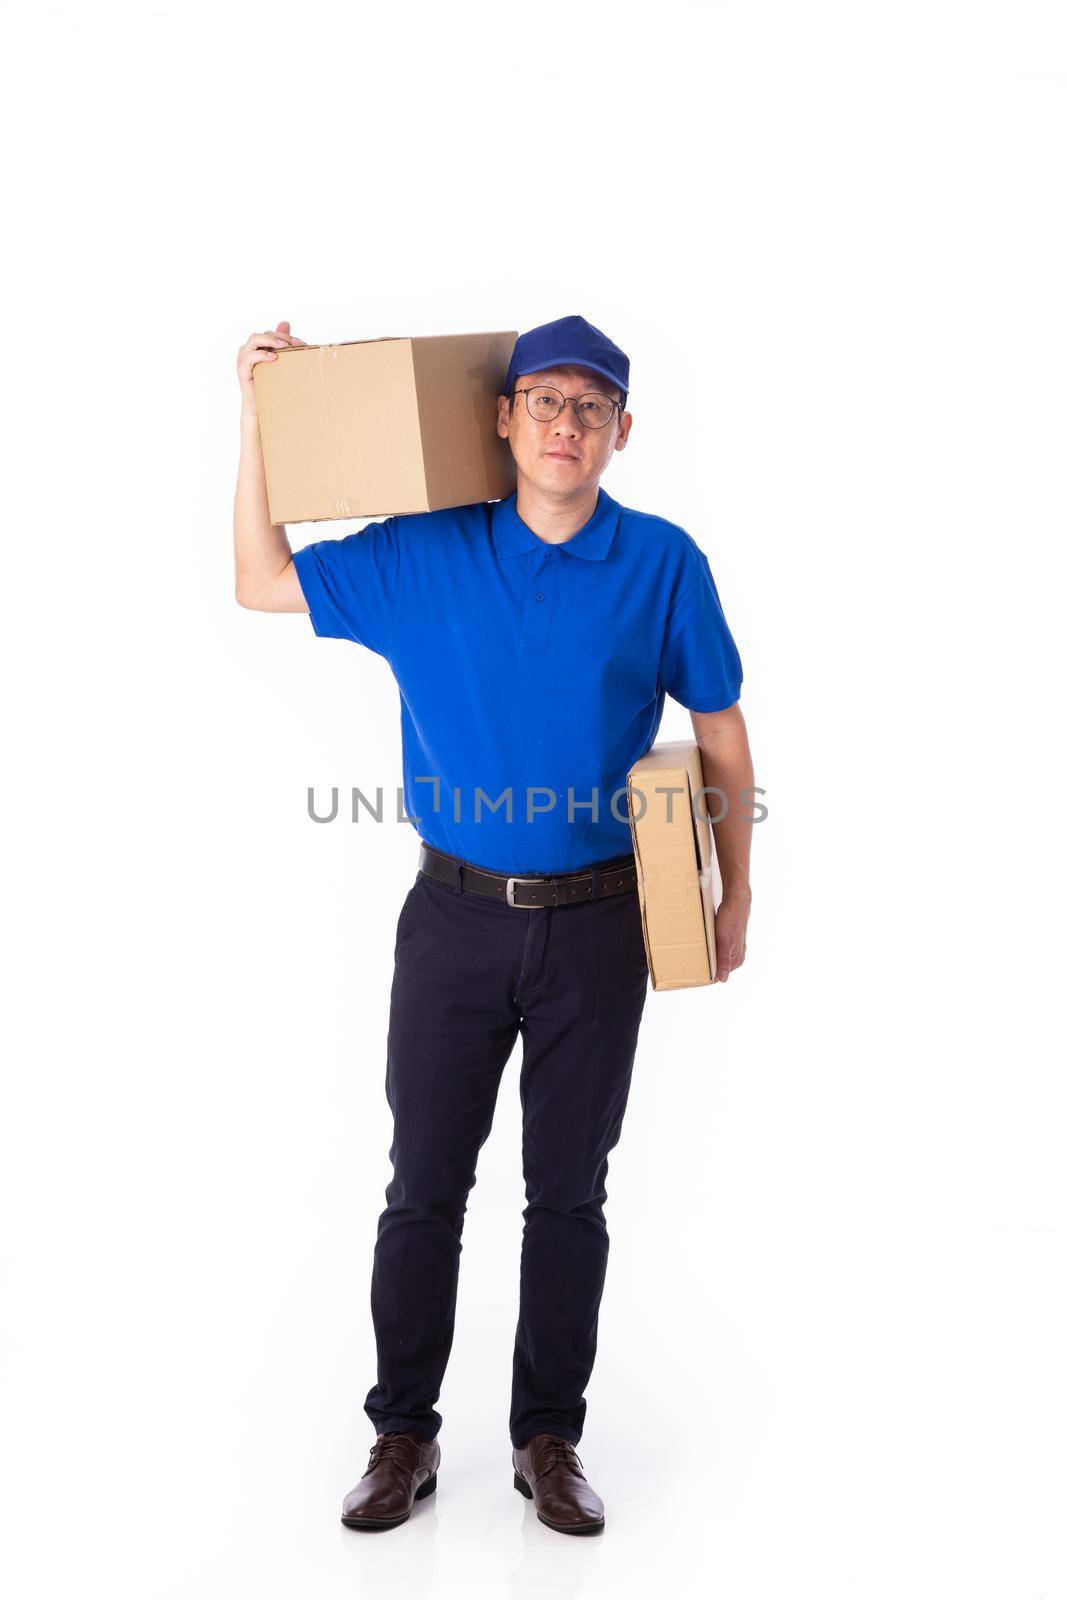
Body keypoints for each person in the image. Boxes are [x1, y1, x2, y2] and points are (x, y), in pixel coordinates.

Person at [233, 313, 755, 1535]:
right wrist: (257, 414)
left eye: (589, 407)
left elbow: (721, 727)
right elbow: (258, 578)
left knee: (568, 1192)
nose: (564, 424)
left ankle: (547, 1440)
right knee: (423, 1183)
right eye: (543, 403)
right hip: (452, 922)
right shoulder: (423, 555)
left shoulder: (662, 561)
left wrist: (735, 891)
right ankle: (400, 1432)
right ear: (501, 420)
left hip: (599, 927)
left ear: (620, 432)